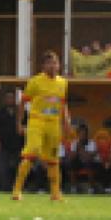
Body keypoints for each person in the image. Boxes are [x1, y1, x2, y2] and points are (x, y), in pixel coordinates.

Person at [11, 50, 70, 202]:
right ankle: (17, 191)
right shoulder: (35, 82)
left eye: (55, 63)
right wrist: (19, 122)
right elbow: (23, 101)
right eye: (49, 63)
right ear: (43, 66)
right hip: (37, 122)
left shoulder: (63, 83)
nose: (53, 66)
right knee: (31, 153)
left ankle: (55, 193)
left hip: (53, 123)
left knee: (53, 159)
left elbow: (62, 103)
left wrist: (66, 121)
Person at [0, 90, 23, 192]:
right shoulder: (0, 112)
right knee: (3, 168)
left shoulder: (21, 112)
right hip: (3, 145)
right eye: (7, 98)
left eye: (11, 98)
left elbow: (27, 126)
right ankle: (5, 189)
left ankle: (19, 188)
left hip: (19, 145)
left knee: (19, 168)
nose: (10, 100)